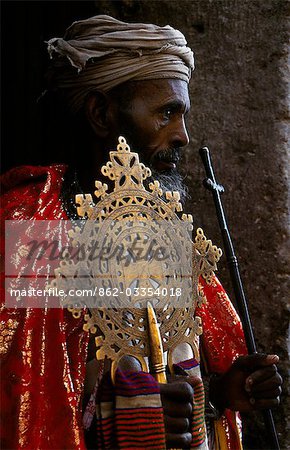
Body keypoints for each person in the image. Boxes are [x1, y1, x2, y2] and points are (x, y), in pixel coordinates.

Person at [0, 15, 282, 450]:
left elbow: (178, 378)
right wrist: (117, 415)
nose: (183, 136)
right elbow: (25, 394)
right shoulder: (34, 222)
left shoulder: (168, 231)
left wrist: (221, 393)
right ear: (101, 114)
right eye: (167, 113)